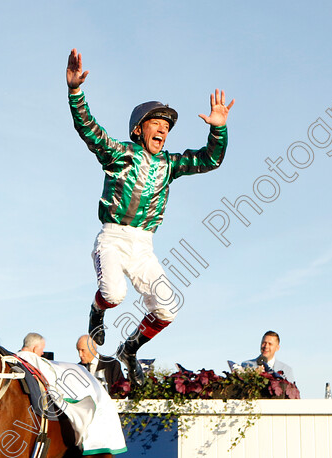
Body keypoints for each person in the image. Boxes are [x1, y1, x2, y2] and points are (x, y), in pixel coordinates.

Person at [67, 48, 234, 386]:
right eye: (155, 125)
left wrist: (218, 130)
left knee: (168, 309)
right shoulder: (119, 154)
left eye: (166, 127)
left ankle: (130, 349)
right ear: (138, 130)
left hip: (144, 246)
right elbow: (88, 129)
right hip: (113, 237)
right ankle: (97, 310)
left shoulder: (170, 164)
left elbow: (209, 160)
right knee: (115, 295)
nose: (162, 130)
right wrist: (75, 92)